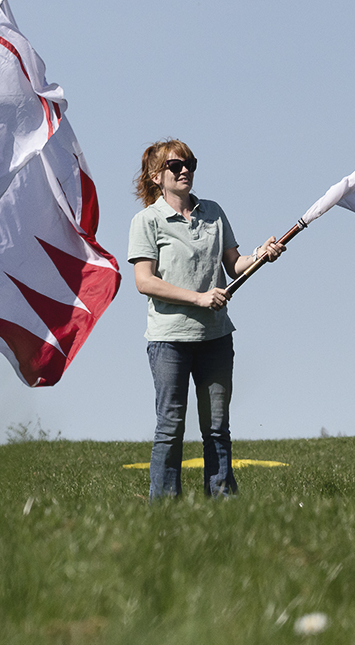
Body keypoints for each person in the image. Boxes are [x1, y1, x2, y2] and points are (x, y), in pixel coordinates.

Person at [127, 139, 283, 500]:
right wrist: (198, 297)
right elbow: (144, 281)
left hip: (215, 337)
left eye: (190, 164)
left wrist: (261, 255)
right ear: (156, 176)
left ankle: (222, 502)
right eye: (175, 166)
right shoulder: (147, 221)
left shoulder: (213, 211)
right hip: (169, 341)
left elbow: (234, 265)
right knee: (170, 427)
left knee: (216, 428)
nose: (185, 171)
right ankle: (165, 508)